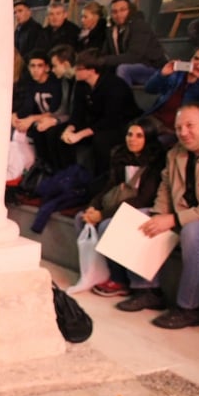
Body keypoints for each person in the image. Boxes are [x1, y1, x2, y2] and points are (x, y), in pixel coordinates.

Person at [115, 103, 199, 329]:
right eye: (179, 127)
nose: (183, 133)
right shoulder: (176, 152)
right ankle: (148, 290)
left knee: (194, 232)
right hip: (183, 213)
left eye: (190, 126)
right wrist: (158, 215)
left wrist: (173, 220)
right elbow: (165, 187)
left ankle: (189, 308)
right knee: (140, 219)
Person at [73, 118, 166, 297]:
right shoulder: (121, 155)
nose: (132, 139)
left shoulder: (156, 161)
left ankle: (119, 279)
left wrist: (103, 214)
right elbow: (110, 186)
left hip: (143, 207)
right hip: (118, 204)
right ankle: (97, 271)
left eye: (139, 136)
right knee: (81, 218)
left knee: (107, 225)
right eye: (130, 135)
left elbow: (144, 199)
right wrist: (93, 206)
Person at [57, 48, 141, 177]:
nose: (75, 71)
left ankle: (102, 178)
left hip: (121, 125)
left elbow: (111, 119)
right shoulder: (81, 84)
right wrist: (70, 129)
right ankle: (67, 175)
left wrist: (80, 135)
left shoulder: (114, 86)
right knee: (58, 134)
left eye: (79, 68)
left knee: (101, 140)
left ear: (91, 71)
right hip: (96, 123)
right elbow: (77, 112)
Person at [143, 46, 199, 147]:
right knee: (134, 133)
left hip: (175, 128)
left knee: (156, 144)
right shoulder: (177, 74)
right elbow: (149, 89)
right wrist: (162, 74)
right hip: (156, 119)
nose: (198, 63)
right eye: (196, 58)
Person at [102, 0, 167, 86]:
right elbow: (106, 54)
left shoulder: (140, 26)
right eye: (114, 12)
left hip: (152, 67)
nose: (118, 14)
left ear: (130, 10)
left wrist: (103, 60)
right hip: (130, 66)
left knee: (123, 69)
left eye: (122, 10)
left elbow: (134, 56)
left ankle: (124, 95)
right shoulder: (112, 31)